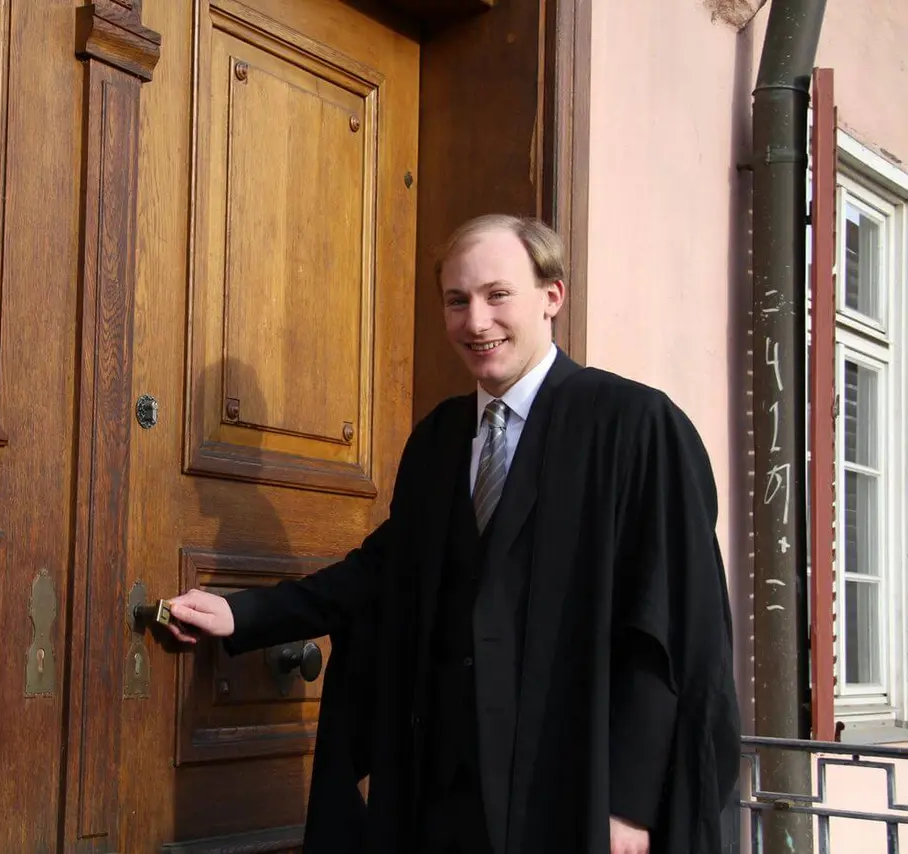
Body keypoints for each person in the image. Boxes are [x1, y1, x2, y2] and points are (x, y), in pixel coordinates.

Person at [165, 214, 740, 854]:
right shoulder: (438, 439)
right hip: (442, 793)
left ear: (551, 297)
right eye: (457, 300)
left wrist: (631, 806)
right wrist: (246, 615)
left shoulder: (634, 429)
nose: (477, 321)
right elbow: (382, 573)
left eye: (498, 295)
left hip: (569, 789)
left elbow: (660, 630)